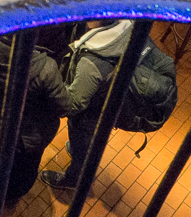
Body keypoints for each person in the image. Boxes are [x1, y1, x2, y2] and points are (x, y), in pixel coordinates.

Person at [0, 35, 70, 203]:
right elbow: (63, 107)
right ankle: (10, 198)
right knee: (25, 170)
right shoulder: (45, 68)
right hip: (30, 135)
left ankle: (4, 188)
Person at [39, 17, 135, 190]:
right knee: (86, 143)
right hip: (108, 103)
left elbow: (75, 104)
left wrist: (55, 92)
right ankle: (78, 152)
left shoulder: (92, 63)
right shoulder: (127, 25)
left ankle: (74, 180)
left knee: (84, 145)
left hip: (90, 115)